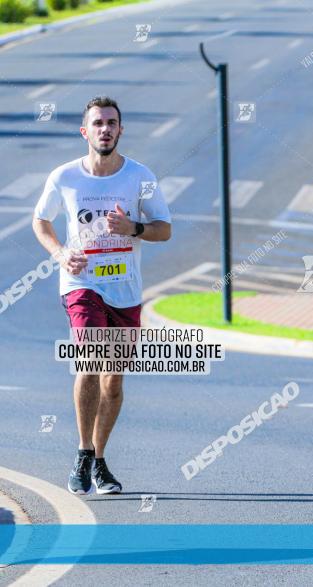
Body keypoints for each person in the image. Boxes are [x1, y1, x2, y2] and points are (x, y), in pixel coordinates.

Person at [32, 96, 172, 495]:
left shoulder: (140, 176)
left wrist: (134, 229)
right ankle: (81, 450)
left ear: (121, 130)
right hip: (82, 286)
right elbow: (40, 220)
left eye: (112, 123)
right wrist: (60, 253)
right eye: (97, 123)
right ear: (85, 131)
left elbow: (165, 228)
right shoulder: (64, 177)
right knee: (90, 361)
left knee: (113, 381)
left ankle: (98, 459)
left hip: (125, 289)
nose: (105, 129)